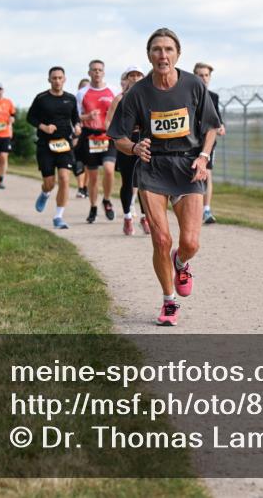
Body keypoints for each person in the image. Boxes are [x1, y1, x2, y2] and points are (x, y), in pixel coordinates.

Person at [108, 28, 221, 326]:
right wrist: (134, 147)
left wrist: (203, 156)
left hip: (187, 166)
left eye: (168, 49)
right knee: (161, 238)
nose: (162, 55)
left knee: (190, 243)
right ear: (149, 55)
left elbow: (211, 126)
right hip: (153, 167)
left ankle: (180, 262)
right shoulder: (137, 93)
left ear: (177, 54)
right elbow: (118, 136)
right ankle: (169, 301)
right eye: (156, 49)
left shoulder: (193, 85)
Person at [27, 66, 81, 229]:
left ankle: (58, 217)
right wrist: (44, 127)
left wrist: (77, 126)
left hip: (64, 144)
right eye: (54, 78)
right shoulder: (41, 98)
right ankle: (45, 192)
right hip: (45, 145)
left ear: (64, 79)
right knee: (50, 183)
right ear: (49, 80)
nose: (57, 81)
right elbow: (30, 117)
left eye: (60, 78)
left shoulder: (70, 99)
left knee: (64, 178)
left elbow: (75, 118)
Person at [106, 66, 152, 236]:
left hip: (145, 141)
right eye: (131, 75)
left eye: (138, 75)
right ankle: (127, 217)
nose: (135, 78)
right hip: (126, 143)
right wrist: (118, 138)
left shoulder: (149, 96)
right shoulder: (120, 98)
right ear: (126, 79)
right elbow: (109, 122)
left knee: (144, 181)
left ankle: (145, 217)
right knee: (128, 181)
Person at [77, 60, 117, 223]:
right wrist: (87, 117)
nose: (97, 72)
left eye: (100, 70)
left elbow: (120, 112)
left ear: (104, 72)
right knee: (92, 177)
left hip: (108, 137)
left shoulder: (113, 90)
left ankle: (106, 200)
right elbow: (76, 116)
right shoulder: (82, 93)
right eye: (94, 70)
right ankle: (93, 207)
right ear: (89, 73)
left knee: (109, 169)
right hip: (90, 137)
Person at [193, 62, 226, 224]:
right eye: (201, 75)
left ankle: (206, 210)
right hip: (191, 142)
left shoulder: (213, 97)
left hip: (208, 143)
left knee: (207, 174)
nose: (204, 78)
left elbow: (217, 119)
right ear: (195, 76)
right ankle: (193, 208)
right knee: (192, 175)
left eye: (206, 75)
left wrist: (221, 127)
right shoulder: (189, 94)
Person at [74, 77, 90, 199]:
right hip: (77, 135)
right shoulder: (75, 101)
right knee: (79, 163)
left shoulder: (93, 101)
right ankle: (80, 187)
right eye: (83, 87)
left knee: (89, 165)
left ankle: (85, 187)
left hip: (90, 135)